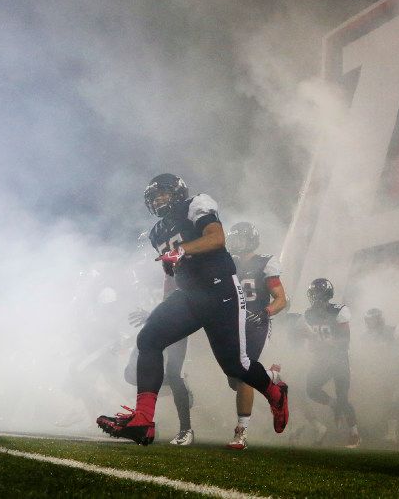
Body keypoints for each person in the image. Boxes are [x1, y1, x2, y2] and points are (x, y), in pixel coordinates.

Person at [96, 174, 288, 445]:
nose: (158, 199)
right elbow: (171, 275)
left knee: (236, 366)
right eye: (154, 196)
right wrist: (164, 305)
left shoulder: (197, 204)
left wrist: (182, 250)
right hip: (189, 296)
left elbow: (217, 238)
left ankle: (275, 391)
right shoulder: (157, 232)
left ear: (177, 192)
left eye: (163, 193)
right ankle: (143, 421)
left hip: (221, 291)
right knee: (148, 339)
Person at [126, 232, 196, 445]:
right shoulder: (138, 274)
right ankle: (147, 417)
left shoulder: (176, 263)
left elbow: (177, 297)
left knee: (174, 374)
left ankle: (186, 429)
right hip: (153, 325)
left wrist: (153, 314)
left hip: (175, 321)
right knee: (132, 374)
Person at [223, 221, 287, 450]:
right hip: (234, 325)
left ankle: (241, 432)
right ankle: (271, 378)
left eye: (240, 237)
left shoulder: (264, 263)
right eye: (234, 237)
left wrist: (264, 312)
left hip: (257, 323)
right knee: (234, 380)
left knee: (242, 377)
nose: (236, 241)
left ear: (250, 239)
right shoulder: (228, 264)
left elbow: (281, 299)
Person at [303, 278, 360, 448]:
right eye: (313, 294)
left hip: (339, 359)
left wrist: (328, 344)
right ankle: (333, 404)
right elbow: (313, 337)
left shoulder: (339, 310)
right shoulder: (309, 313)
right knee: (311, 389)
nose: (314, 298)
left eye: (317, 294)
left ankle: (354, 433)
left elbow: (345, 341)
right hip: (322, 360)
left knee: (343, 397)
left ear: (325, 295)